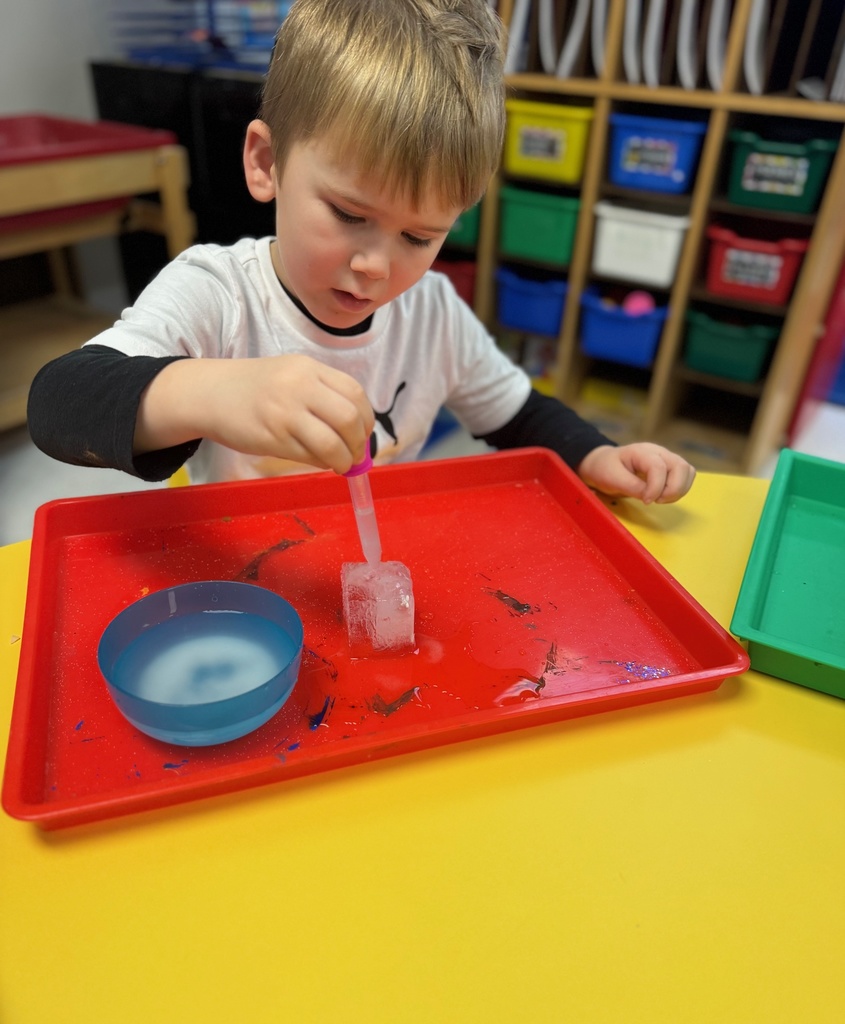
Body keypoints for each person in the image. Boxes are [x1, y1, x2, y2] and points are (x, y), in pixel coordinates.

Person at [28, 0, 695, 505]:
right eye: (349, 215)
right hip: (246, 586)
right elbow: (59, 403)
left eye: (419, 237)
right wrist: (210, 390)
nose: (377, 265)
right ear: (266, 162)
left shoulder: (433, 313)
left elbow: (520, 414)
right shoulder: (219, 293)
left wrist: (596, 457)